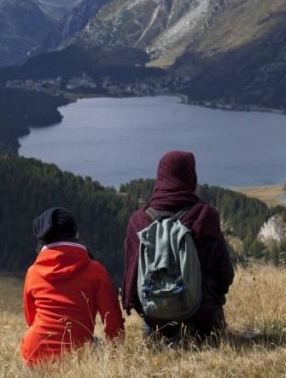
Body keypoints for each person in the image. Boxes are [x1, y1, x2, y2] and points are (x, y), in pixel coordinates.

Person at [122, 150, 235, 344]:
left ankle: (161, 334)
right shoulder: (205, 216)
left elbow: (131, 281)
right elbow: (224, 274)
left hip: (156, 319)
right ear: (190, 175)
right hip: (204, 319)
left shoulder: (138, 221)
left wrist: (151, 312)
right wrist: (211, 302)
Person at [20, 207, 124, 367]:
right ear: (75, 235)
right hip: (79, 355)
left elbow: (31, 320)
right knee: (97, 345)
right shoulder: (95, 270)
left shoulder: (33, 272)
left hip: (35, 355)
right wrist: (115, 358)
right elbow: (113, 322)